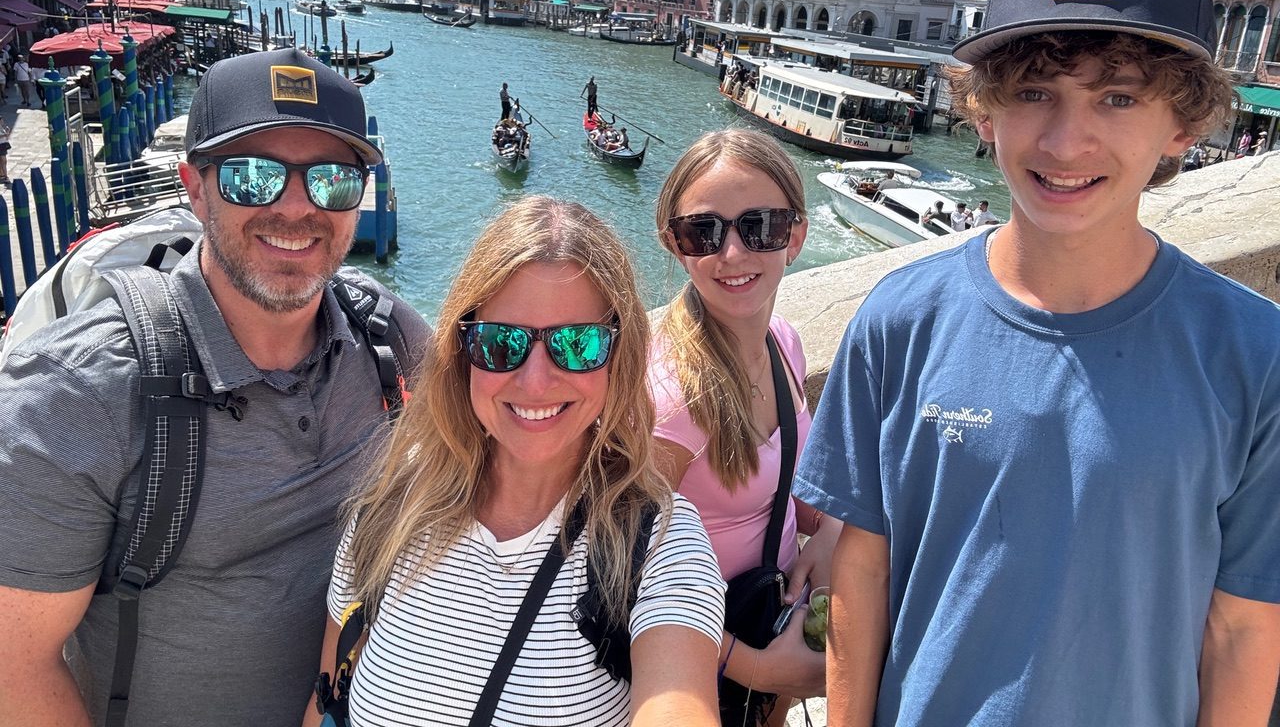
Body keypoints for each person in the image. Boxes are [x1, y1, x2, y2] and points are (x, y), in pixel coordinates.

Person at [795, 0, 1280, 727]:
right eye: (1033, 92)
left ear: (1184, 124)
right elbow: (862, 576)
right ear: (986, 113)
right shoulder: (898, 323)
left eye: (1117, 96)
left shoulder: (1256, 357)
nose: (1064, 140)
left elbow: (1243, 626)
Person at [0, 47, 431, 727]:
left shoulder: (386, 337)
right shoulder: (76, 395)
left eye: (333, 181)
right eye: (252, 177)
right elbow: (15, 669)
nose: (298, 208)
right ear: (193, 188)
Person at [309, 196, 725, 727]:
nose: (535, 380)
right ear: (463, 352)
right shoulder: (391, 508)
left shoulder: (657, 542)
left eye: (577, 344)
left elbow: (678, 701)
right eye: (501, 343)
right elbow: (328, 695)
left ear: (618, 357)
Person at [651, 129, 836, 727]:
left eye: (760, 227)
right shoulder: (671, 399)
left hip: (768, 623)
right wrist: (759, 667)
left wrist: (829, 532)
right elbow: (616, 582)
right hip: (708, 669)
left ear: (797, 237)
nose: (731, 253)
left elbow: (792, 483)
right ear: (675, 246)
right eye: (703, 232)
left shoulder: (785, 344)